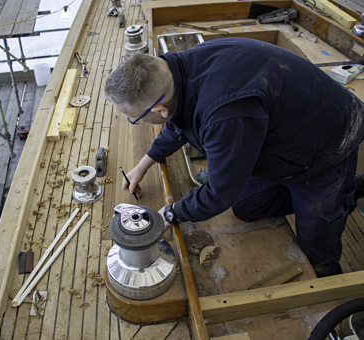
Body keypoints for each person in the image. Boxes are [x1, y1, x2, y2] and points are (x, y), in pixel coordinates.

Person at [104, 37, 364, 277]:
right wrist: (144, 163)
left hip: (327, 143)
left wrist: (170, 214)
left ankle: (333, 237)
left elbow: (219, 193)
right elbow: (179, 122)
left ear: (159, 109)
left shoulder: (224, 113)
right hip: (281, 133)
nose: (134, 122)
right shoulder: (176, 72)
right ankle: (343, 191)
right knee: (247, 206)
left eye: (134, 119)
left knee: (315, 243)